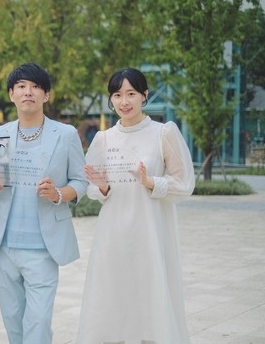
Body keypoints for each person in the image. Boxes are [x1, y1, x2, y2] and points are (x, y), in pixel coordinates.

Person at [76, 68, 195, 344]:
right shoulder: (104, 139)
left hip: (150, 229)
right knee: (113, 294)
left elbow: (184, 183)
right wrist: (102, 186)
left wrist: (150, 181)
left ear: (144, 95)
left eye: (131, 94)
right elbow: (93, 187)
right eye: (117, 95)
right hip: (113, 232)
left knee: (150, 292)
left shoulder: (163, 133)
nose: (124, 101)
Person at [0, 62, 88, 344]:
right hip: (4, 247)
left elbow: (81, 181)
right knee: (14, 324)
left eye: (36, 86)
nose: (28, 92)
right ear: (11, 94)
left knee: (38, 323)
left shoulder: (65, 134)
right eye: (21, 86)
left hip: (43, 248)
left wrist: (58, 194)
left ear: (46, 95)